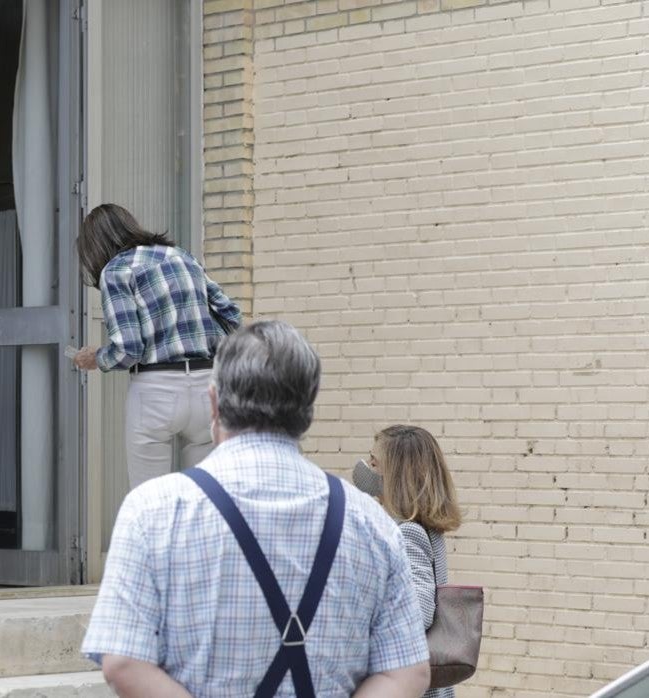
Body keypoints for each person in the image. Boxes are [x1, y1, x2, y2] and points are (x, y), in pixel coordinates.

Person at [81, 320, 431, 697]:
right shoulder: (371, 521)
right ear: (308, 411)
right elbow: (406, 674)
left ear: (214, 403)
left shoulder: (152, 511)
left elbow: (123, 664)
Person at [72, 203, 241, 489]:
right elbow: (232, 315)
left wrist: (96, 358)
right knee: (205, 496)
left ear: (96, 245)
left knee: (149, 498)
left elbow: (128, 349)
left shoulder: (116, 270)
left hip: (156, 389)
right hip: (206, 386)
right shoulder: (182, 257)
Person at [355, 426, 463, 698]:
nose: (366, 468)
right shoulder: (422, 527)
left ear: (395, 475)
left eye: (374, 463)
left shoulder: (407, 532)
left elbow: (420, 612)